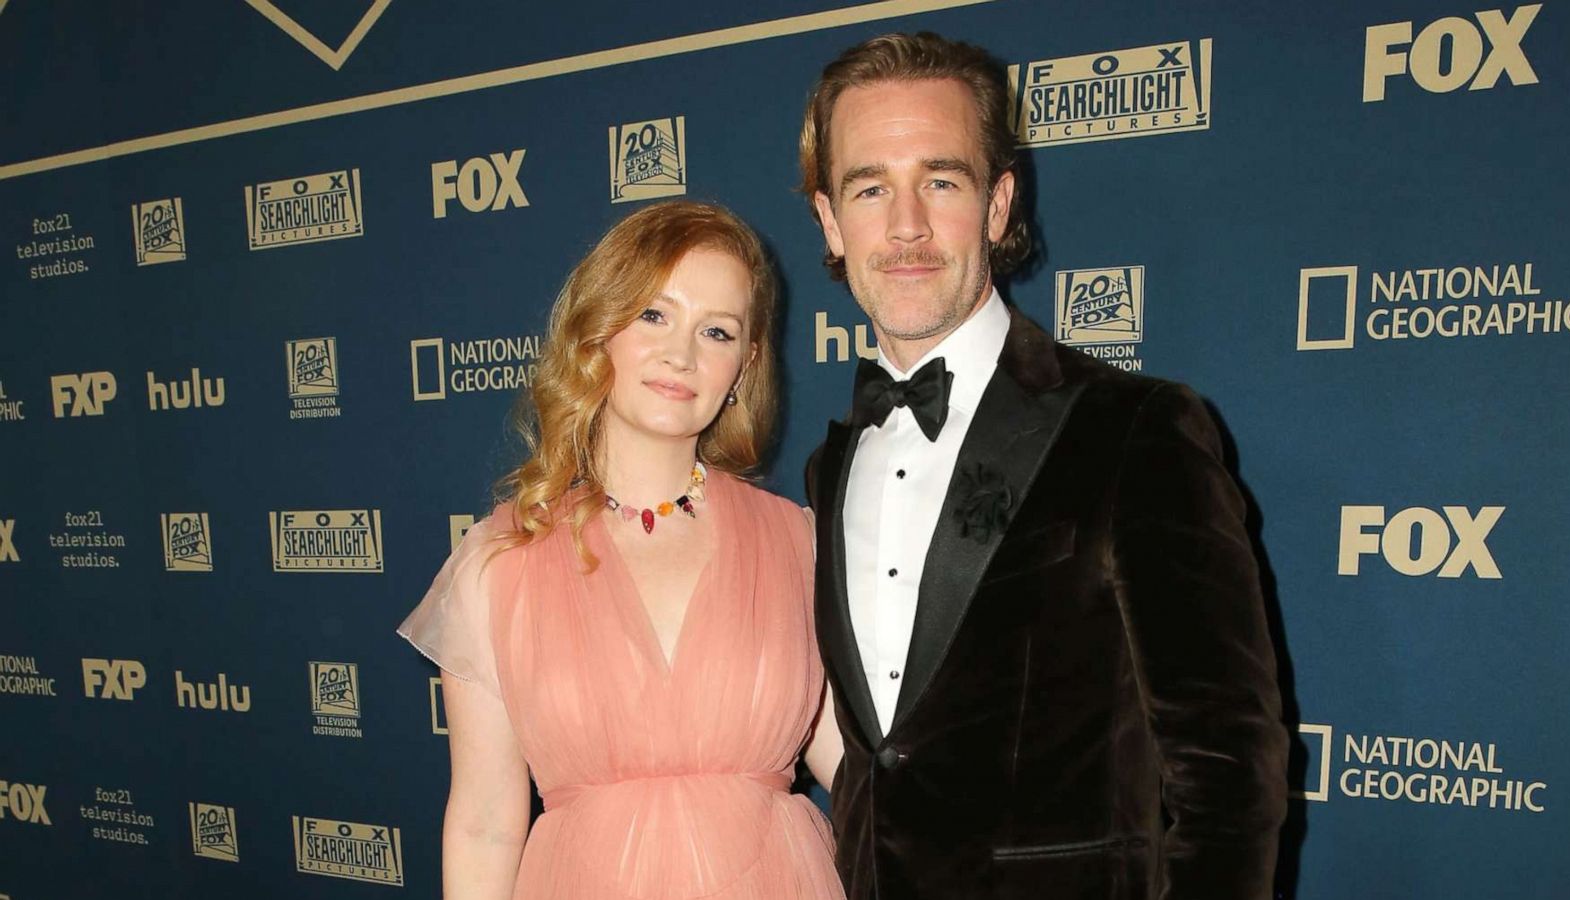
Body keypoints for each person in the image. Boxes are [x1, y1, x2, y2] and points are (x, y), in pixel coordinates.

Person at [798, 33, 1288, 899]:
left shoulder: (1134, 430)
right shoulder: (829, 468)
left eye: (941, 181)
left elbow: (1228, 771)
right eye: (870, 187)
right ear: (831, 221)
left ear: (997, 204)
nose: (906, 225)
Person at [398, 200, 846, 899]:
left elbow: (855, 773)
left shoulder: (799, 543)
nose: (682, 354)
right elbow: (486, 822)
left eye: (718, 331)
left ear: (746, 363)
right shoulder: (500, 563)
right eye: (654, 315)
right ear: (597, 329)